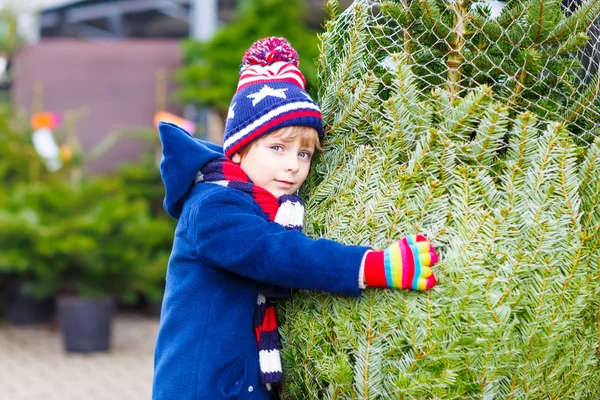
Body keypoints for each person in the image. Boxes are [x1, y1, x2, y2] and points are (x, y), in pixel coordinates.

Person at [152, 37, 439, 400]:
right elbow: (277, 253)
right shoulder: (213, 206)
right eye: (277, 148)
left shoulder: (257, 199)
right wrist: (372, 265)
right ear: (238, 150)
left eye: (304, 153)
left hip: (238, 383)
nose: (293, 164)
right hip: (204, 389)